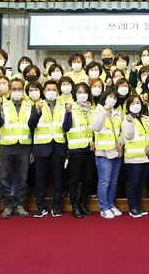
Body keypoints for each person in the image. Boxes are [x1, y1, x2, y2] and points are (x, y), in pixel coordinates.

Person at [0, 78, 33, 219]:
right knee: (4, 177)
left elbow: (33, 128)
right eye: (14, 89)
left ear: (23, 91)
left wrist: (32, 149)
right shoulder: (3, 105)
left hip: (24, 146)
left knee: (23, 177)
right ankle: (7, 206)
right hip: (7, 146)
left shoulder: (29, 106)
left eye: (20, 89)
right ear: (9, 91)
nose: (17, 91)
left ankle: (19, 204)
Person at [28, 80, 67, 218]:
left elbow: (67, 128)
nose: (51, 92)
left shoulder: (63, 106)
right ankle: (41, 207)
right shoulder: (37, 106)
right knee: (40, 179)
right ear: (44, 92)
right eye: (48, 89)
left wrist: (67, 148)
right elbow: (31, 126)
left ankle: (56, 207)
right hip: (41, 147)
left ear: (58, 92)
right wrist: (37, 112)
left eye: (54, 89)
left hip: (58, 146)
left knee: (58, 178)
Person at [62, 82, 96, 218]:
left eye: (85, 92)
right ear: (75, 94)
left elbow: (94, 128)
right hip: (76, 149)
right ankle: (74, 205)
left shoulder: (91, 109)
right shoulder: (71, 107)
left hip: (90, 149)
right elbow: (65, 127)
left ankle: (83, 203)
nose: (82, 95)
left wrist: (94, 140)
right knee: (74, 179)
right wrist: (68, 113)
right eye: (79, 92)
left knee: (88, 179)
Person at [91, 89, 125, 219]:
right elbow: (96, 127)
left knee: (113, 181)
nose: (113, 99)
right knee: (104, 181)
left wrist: (121, 142)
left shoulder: (118, 112)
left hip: (117, 151)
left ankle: (111, 204)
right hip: (103, 152)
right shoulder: (97, 111)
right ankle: (103, 207)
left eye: (115, 98)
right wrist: (105, 112)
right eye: (110, 96)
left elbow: (122, 130)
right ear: (104, 97)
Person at [122, 94, 149, 218]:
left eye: (138, 103)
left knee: (141, 183)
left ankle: (138, 205)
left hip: (146, 156)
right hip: (133, 157)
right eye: (132, 103)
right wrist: (130, 123)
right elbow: (128, 136)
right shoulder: (126, 119)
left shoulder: (146, 118)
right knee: (133, 183)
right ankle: (132, 207)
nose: (136, 105)